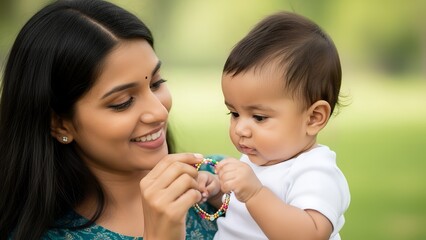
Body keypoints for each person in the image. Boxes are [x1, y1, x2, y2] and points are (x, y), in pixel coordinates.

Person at [0, 0, 219, 239]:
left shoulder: (224, 182)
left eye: (156, 84)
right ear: (60, 124)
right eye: (122, 102)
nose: (159, 112)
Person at [197, 11, 350, 240]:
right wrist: (218, 192)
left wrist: (255, 193)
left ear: (313, 118)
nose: (240, 129)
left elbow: (310, 234)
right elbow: (245, 218)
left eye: (259, 117)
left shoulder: (315, 171)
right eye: (235, 113)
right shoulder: (260, 157)